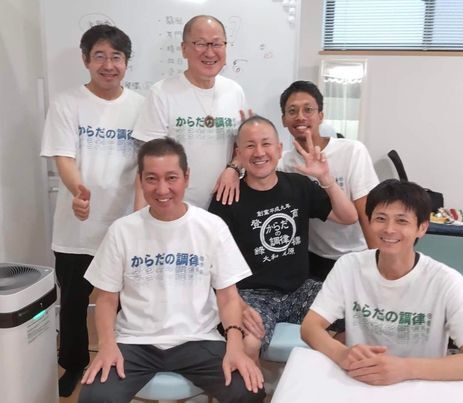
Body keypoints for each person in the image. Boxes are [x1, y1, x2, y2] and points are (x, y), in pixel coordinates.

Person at [78, 138, 265, 403]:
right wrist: (107, 345)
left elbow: (228, 297)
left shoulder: (211, 227)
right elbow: (107, 299)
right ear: (140, 180)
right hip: (135, 342)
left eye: (171, 178)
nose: (162, 189)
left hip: (198, 339)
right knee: (95, 397)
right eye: (151, 179)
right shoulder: (122, 231)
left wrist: (234, 346)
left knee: (248, 391)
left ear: (186, 177)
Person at [40, 24, 144, 397]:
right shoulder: (67, 103)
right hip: (76, 229)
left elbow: (145, 165)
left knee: (127, 302)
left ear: (127, 62)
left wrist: (139, 217)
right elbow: (63, 157)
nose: (108, 65)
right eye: (99, 56)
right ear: (86, 60)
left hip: (124, 227)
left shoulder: (141, 106)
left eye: (116, 57)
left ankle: (126, 360)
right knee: (73, 302)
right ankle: (73, 364)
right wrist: (77, 191)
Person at [208, 115, 358, 360]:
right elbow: (214, 265)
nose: (259, 152)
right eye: (250, 146)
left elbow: (348, 216)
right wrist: (238, 304)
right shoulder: (227, 197)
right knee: (249, 342)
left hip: (300, 288)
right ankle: (258, 385)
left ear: (279, 150)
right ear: (239, 154)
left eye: (266, 144)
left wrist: (325, 178)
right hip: (251, 294)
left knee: (355, 318)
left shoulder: (298, 185)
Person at [301, 179, 463, 385]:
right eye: (380, 218)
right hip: (359, 381)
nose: (389, 229)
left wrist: (406, 368)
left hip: (420, 386)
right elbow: (310, 327)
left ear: (422, 228)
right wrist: (342, 354)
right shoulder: (349, 266)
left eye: (401, 221)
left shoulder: (446, 282)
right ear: (369, 221)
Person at [133, 15, 246, 209]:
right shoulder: (162, 93)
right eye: (200, 44)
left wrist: (234, 168)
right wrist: (140, 218)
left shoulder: (235, 91)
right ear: (184, 49)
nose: (209, 52)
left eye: (217, 44)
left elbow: (245, 147)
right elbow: (147, 163)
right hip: (173, 210)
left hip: (224, 207)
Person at [279, 81, 379, 281]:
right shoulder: (284, 163)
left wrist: (377, 264)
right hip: (313, 258)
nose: (300, 116)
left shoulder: (352, 151)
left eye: (308, 109)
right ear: (284, 120)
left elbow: (367, 213)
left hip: (355, 255)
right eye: (292, 111)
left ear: (320, 116)